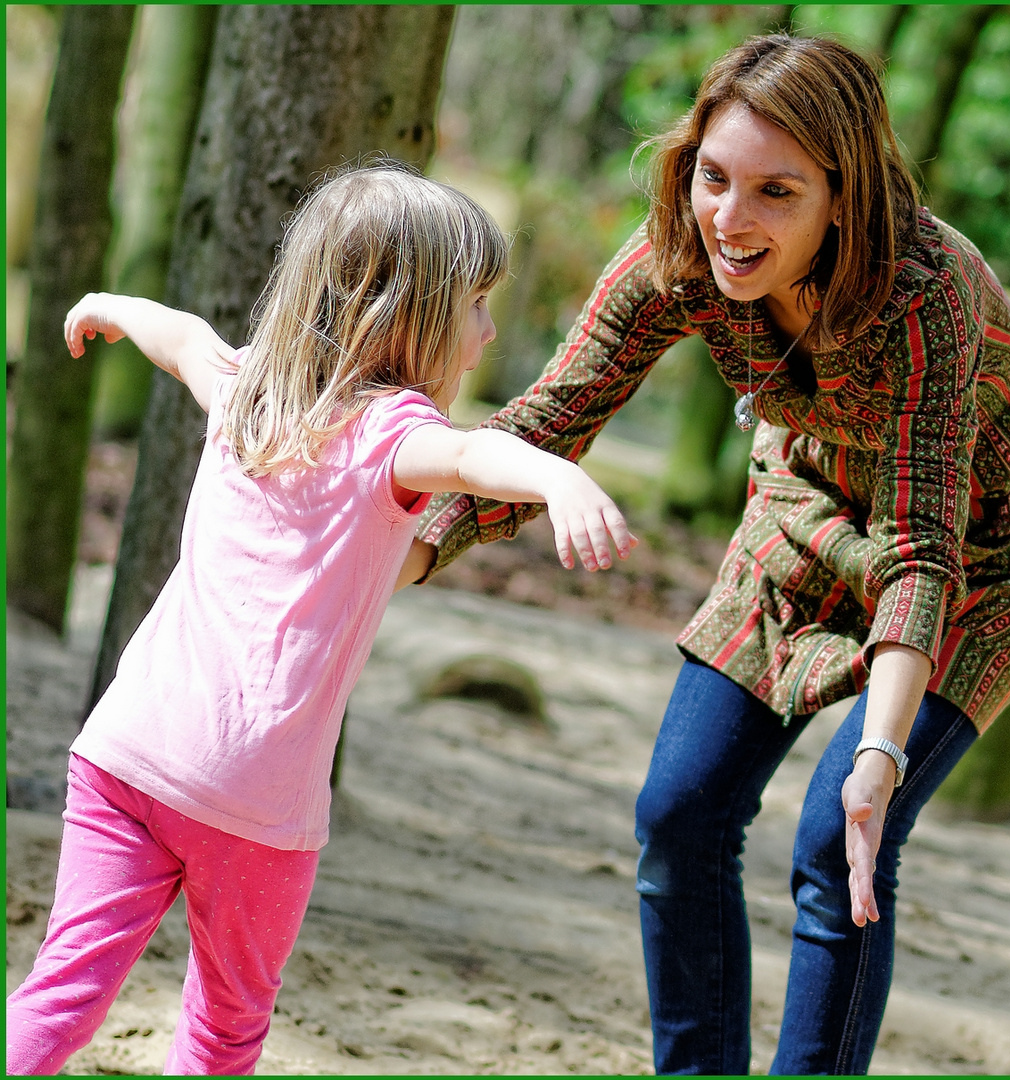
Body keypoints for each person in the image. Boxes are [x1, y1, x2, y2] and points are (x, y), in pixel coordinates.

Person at [410, 33, 1010, 1075]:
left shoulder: (925, 291)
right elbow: (547, 423)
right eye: (713, 177)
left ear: (842, 195)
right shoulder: (675, 258)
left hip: (998, 548)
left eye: (776, 191)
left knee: (840, 836)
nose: (730, 218)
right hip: (809, 507)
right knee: (679, 813)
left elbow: (919, 544)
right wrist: (404, 557)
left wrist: (879, 755)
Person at [6, 165, 634, 1076]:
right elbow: (470, 454)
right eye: (475, 306)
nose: (487, 334)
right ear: (403, 313)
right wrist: (558, 475)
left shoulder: (247, 389)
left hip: (127, 753)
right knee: (224, 1029)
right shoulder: (393, 435)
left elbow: (178, 336)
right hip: (255, 804)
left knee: (59, 990)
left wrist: (106, 302)